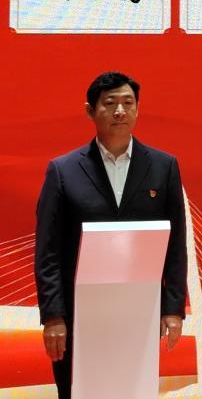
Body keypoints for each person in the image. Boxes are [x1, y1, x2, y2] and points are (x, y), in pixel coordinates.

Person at [34, 71, 187, 399]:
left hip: (139, 310)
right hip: (78, 314)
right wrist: (53, 316)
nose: (120, 111)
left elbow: (175, 245)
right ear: (91, 111)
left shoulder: (164, 167)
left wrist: (173, 308)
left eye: (128, 103)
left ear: (137, 110)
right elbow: (48, 251)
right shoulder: (63, 171)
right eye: (110, 103)